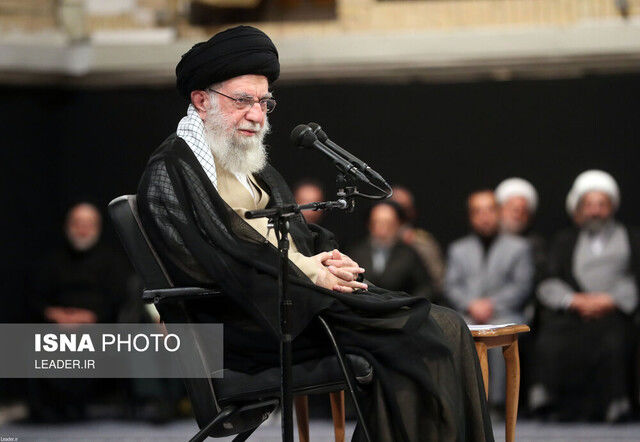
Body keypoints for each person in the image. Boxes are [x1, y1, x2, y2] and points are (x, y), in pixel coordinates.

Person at [136, 25, 493, 441]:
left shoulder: (247, 162)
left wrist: (326, 257)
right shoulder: (172, 170)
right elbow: (222, 257)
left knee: (444, 326)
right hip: (248, 322)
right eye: (243, 101)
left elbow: (296, 230)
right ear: (201, 100)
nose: (256, 114)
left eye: (264, 102)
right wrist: (306, 271)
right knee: (428, 333)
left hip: (294, 300)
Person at [529, 170, 639, 422]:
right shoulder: (564, 241)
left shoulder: (632, 239)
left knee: (614, 339)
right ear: (580, 208)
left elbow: (636, 277)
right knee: (551, 336)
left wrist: (610, 300)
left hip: (615, 312)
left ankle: (616, 403)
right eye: (589, 205)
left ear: (612, 207)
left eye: (602, 204)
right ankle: (550, 400)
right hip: (574, 312)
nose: (595, 211)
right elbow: (548, 279)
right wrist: (575, 301)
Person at [26, 203, 129, 422]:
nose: (83, 229)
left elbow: (119, 300)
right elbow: (35, 297)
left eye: (88, 224)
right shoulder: (51, 261)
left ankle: (75, 406)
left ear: (98, 227)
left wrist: (90, 317)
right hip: (55, 325)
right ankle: (49, 408)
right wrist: (55, 315)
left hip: (98, 327)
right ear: (67, 226)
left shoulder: (112, 262)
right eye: (78, 224)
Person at [444, 190, 533, 407]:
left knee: (502, 333)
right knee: (453, 331)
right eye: (477, 211)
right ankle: (463, 403)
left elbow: (522, 285)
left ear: (499, 212)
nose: (484, 216)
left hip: (505, 311)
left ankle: (498, 403)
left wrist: (492, 304)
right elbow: (451, 285)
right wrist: (471, 304)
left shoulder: (518, 247)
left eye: (489, 210)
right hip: (469, 313)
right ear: (471, 217)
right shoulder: (458, 249)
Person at [349, 201, 434, 300]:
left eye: (389, 223)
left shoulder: (409, 254)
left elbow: (426, 287)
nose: (383, 229)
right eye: (377, 223)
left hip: (401, 308)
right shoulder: (357, 252)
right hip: (363, 307)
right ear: (369, 224)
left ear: (398, 225)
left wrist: (411, 305)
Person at [390, 185, 446, 292]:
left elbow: (438, 278)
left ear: (411, 211)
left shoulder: (423, 242)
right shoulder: (371, 244)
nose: (399, 214)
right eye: (395, 208)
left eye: (404, 209)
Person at [495, 178, 547, 284]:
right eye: (513, 209)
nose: (517, 215)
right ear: (500, 210)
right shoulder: (486, 240)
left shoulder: (535, 244)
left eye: (523, 211)